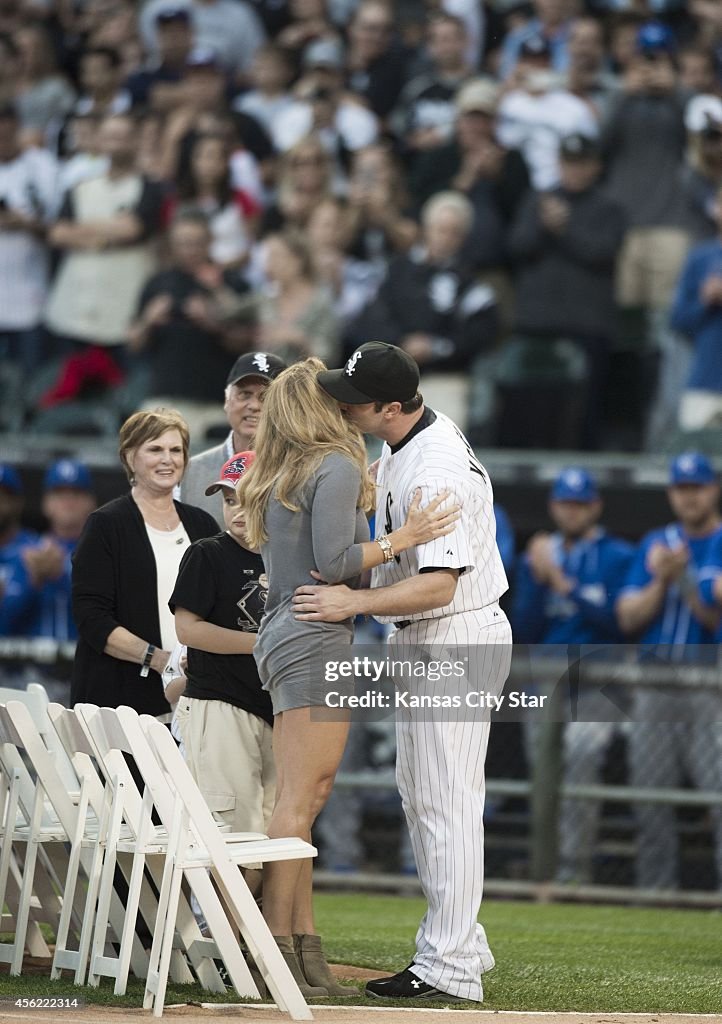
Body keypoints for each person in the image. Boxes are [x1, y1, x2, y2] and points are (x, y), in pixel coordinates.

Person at [292, 342, 512, 1003]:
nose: (341, 404)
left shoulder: (433, 466)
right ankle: (462, 942)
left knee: (448, 803)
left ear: (391, 407)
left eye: (353, 399)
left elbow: (439, 586)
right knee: (423, 796)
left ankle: (450, 969)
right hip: (423, 638)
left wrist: (353, 599)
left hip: (453, 633)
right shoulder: (406, 442)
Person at [238, 356, 458, 997]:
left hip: (287, 635)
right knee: (302, 800)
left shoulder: (287, 468)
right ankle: (275, 951)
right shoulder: (332, 466)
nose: (347, 407)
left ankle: (305, 950)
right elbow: (337, 563)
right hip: (314, 637)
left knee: (299, 800)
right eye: (333, 399)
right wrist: (404, 538)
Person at [512, 467, 634, 884]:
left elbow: (618, 623)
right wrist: (535, 576)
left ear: (595, 506)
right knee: (542, 779)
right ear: (554, 506)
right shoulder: (539, 555)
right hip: (545, 681)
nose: (572, 511)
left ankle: (573, 871)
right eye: (565, 502)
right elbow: (524, 626)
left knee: (581, 763)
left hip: (595, 683)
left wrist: (561, 582)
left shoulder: (617, 555)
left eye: (581, 503)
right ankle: (544, 870)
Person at [615, 452, 722, 890]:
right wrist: (662, 579)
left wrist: (684, 578)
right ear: (671, 493)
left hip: (709, 686)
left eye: (697, 487)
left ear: (713, 489)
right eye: (681, 488)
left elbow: (713, 620)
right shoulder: (654, 542)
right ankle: (654, 893)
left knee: (718, 799)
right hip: (655, 683)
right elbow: (627, 617)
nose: (689, 496)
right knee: (650, 801)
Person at [71, 409, 218, 715]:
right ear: (129, 458)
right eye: (155, 449)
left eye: (176, 450)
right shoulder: (105, 525)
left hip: (196, 698)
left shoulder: (203, 524)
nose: (168, 459)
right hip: (120, 700)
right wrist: (160, 661)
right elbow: (92, 618)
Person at [171, 451, 275, 880]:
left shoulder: (286, 556)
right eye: (230, 500)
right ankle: (223, 935)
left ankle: (247, 937)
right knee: (232, 830)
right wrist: (263, 644)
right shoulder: (207, 554)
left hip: (272, 706)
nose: (237, 510)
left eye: (248, 498)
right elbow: (188, 631)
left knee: (267, 829)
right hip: (219, 704)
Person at [504, 132, 627, 449]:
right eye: (569, 163)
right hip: (536, 326)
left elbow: (602, 253)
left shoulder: (609, 207)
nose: (575, 170)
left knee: (582, 414)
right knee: (530, 410)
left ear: (595, 166)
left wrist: (564, 230)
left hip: (586, 329)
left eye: (582, 163)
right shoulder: (538, 200)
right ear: (559, 164)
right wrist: (544, 227)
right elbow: (516, 247)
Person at [128, 211, 257, 440]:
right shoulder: (158, 283)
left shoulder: (230, 283)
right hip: (165, 400)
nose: (190, 250)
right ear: (172, 244)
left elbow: (250, 343)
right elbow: (133, 344)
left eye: (197, 243)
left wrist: (213, 323)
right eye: (183, 243)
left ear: (210, 241)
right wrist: (149, 320)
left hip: (217, 405)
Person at [179, 350, 287, 519]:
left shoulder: (303, 470)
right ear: (227, 400)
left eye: (266, 397)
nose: (254, 406)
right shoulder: (191, 472)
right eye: (245, 394)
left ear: (286, 407)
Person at [0, 460, 96, 643]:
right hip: (29, 667)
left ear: (91, 503)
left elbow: (109, 616)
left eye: (76, 494)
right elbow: (6, 626)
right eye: (59, 494)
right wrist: (33, 583)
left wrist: (61, 577)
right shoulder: (28, 551)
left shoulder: (105, 552)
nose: (68, 502)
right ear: (45, 504)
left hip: (86, 665)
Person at [670, 181, 722, 430]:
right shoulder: (700, 258)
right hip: (705, 380)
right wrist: (705, 301)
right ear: (715, 208)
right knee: (692, 463)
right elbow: (678, 320)